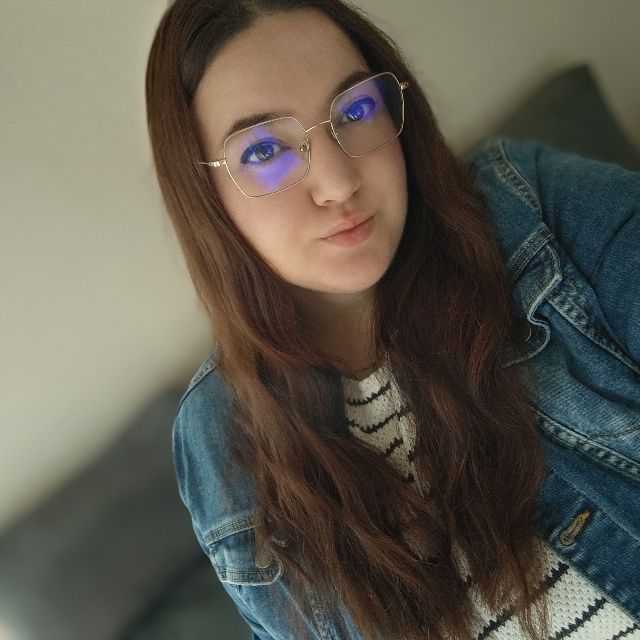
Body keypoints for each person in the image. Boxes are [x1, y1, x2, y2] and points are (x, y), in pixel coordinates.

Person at [145, 1, 640, 638]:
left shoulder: (534, 217)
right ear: (203, 193)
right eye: (265, 150)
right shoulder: (218, 437)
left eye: (355, 112)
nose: (337, 182)